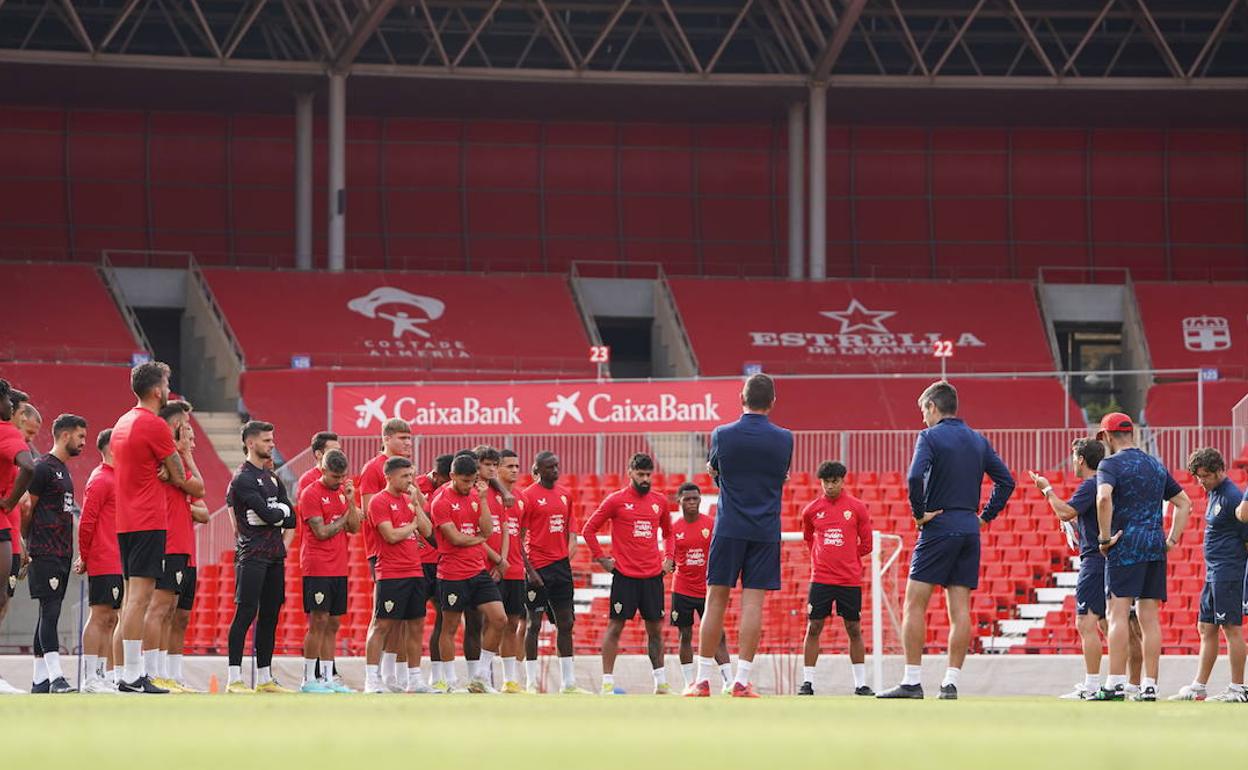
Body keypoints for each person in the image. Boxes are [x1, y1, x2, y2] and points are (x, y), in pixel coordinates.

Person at [879, 380, 1014, 700]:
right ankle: (950, 682)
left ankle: (912, 681)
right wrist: (984, 516)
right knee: (960, 609)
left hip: (938, 527)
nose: (922, 418)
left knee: (914, 602)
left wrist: (919, 512)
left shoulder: (929, 436)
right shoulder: (978, 440)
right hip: (968, 527)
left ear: (932, 406)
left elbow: (914, 476)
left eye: (922, 411)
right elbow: (1006, 481)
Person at [687, 374, 793, 699]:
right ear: (773, 402)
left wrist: (721, 480)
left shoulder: (722, 434)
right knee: (753, 605)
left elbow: (718, 472)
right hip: (765, 529)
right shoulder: (785, 438)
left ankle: (702, 680)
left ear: (741, 398)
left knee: (714, 600)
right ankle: (742, 681)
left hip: (729, 525)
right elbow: (781, 479)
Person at [110, 362, 204, 694]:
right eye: (167, 384)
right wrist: (171, 472)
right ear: (156, 390)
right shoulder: (153, 425)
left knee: (131, 602)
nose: (169, 390)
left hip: (126, 519)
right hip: (148, 519)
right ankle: (133, 675)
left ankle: (123, 672)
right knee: (140, 600)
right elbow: (181, 477)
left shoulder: (122, 421)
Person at [1089, 412, 1191, 702]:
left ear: (1108, 437)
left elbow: (1103, 498)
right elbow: (1184, 504)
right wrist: (1171, 539)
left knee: (1117, 613)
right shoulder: (1156, 465)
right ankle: (1149, 685)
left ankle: (1116, 682)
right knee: (1149, 618)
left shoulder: (1109, 464)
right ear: (1131, 433)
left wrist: (1105, 537)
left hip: (1125, 545)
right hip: (1154, 545)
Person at [583, 453, 673, 695]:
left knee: (655, 630)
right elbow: (588, 529)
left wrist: (669, 559)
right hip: (625, 576)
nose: (645, 479)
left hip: (653, 576)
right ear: (630, 472)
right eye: (640, 474)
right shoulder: (616, 501)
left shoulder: (660, 502)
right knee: (616, 627)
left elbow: (669, 533)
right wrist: (601, 558)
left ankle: (660, 683)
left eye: (648, 475)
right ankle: (607, 683)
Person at [1031, 438, 1112, 699]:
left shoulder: (1091, 484)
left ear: (1080, 459)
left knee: (1086, 621)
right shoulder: (1103, 483)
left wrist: (1046, 490)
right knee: (1108, 623)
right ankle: (1125, 682)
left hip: (1094, 561)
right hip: (1106, 560)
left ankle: (1091, 685)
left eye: (1073, 457)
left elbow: (1065, 512)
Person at [224, 420, 297, 694]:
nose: (272, 444)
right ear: (251, 443)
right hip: (251, 555)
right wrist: (276, 512)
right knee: (245, 613)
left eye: (272, 438)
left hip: (275, 556)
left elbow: (291, 518)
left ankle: (265, 678)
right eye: (267, 440)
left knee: (270, 616)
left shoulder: (273, 479)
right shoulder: (242, 477)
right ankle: (234, 679)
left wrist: (277, 514)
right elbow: (272, 515)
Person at [1170, 448, 1246, 702]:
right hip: (1214, 572)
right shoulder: (1214, 492)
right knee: (1206, 627)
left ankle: (1237, 688)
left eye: (1205, 476)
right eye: (1198, 477)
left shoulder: (1233, 497)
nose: (1201, 481)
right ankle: (1199, 686)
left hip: (1229, 572)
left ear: (1219, 471)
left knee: (1231, 629)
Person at [431, 453, 506, 694]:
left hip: (477, 570)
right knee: (449, 627)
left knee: (499, 619)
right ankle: (450, 681)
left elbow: (488, 528)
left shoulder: (476, 495)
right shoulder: (440, 500)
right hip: (452, 573)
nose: (468, 486)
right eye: (464, 481)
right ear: (452, 476)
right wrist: (479, 539)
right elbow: (454, 538)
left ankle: (480, 677)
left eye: (472, 481)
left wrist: (483, 501)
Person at [23, 413, 87, 693]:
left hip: (61, 551)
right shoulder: (43, 468)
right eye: (80, 436)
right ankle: (57, 677)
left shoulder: (63, 469)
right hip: (44, 550)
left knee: (48, 613)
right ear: (64, 435)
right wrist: (27, 542)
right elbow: (27, 507)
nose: (83, 442)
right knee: (50, 612)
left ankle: (40, 681)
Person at [798, 461, 873, 697]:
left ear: (843, 480)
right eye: (826, 482)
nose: (830, 486)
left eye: (835, 481)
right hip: (820, 578)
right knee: (814, 627)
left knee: (853, 628)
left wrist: (848, 556)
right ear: (820, 482)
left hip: (849, 580)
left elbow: (867, 544)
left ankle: (860, 684)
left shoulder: (857, 508)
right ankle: (807, 682)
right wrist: (822, 558)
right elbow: (808, 538)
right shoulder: (811, 510)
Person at [364, 456, 435, 694]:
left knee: (415, 626)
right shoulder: (379, 501)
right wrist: (412, 526)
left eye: (411, 475)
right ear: (389, 477)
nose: (410, 480)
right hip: (391, 573)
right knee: (382, 625)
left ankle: (414, 678)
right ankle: (372, 679)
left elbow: (428, 530)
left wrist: (416, 506)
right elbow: (391, 536)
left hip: (415, 571)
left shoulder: (409, 500)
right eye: (405, 476)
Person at [519, 451, 587, 694]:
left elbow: (571, 532)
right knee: (533, 624)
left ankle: (569, 683)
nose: (555, 471)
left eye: (557, 466)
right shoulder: (527, 497)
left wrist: (566, 559)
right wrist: (529, 570)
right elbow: (518, 536)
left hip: (560, 568)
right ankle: (530, 682)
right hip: (537, 567)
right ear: (537, 470)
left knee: (566, 623)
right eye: (549, 467)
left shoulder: (565, 495)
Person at [357, 418, 414, 692]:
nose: (408, 443)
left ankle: (390, 675)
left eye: (409, 438)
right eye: (402, 437)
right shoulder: (373, 469)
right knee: (383, 618)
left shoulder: (406, 473)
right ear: (387, 438)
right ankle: (373, 676)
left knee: (402, 619)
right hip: (382, 552)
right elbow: (370, 513)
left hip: (406, 551)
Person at [298, 448, 361, 693]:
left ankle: (327, 678)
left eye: (342, 476)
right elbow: (321, 532)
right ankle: (308, 679)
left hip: (339, 565)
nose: (339, 481)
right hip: (317, 565)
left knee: (333, 622)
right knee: (318, 620)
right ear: (323, 470)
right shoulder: (310, 493)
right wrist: (346, 515)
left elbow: (354, 528)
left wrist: (352, 501)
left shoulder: (344, 493)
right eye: (335, 477)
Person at [150, 400, 202, 692]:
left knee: (171, 612)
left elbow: (201, 493)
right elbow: (196, 488)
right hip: (165, 542)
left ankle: (169, 674)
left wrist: (184, 461)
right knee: (157, 609)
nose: (189, 437)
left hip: (182, 545)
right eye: (184, 427)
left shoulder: (177, 460)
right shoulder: (161, 459)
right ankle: (151, 672)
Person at [665, 483, 730, 692]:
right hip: (682, 589)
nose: (692, 503)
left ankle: (728, 681)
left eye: (695, 499)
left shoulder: (711, 524)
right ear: (679, 502)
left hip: (707, 590)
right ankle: (688, 682)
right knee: (685, 635)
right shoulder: (674, 528)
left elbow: (720, 554)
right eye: (688, 499)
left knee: (718, 635)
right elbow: (669, 559)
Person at [77, 429, 123, 693]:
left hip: (118, 559)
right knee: (100, 615)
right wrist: (85, 556)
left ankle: (100, 674)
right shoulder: (101, 479)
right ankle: (89, 678)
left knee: (111, 619)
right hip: (104, 558)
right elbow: (87, 522)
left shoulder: (117, 478)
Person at [0, 380, 36, 695]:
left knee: (4, 600)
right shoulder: (8, 437)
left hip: (9, 534)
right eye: (20, 411)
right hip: (3, 532)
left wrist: (20, 542)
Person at [492, 449, 528, 693]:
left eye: (517, 466)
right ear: (497, 469)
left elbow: (521, 535)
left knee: (513, 623)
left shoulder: (522, 498)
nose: (514, 470)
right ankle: (482, 675)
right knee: (492, 622)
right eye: (509, 466)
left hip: (516, 570)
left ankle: (509, 680)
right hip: (493, 569)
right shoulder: (487, 495)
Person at [297, 431, 341, 498]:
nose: (339, 455)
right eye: (333, 451)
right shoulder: (308, 480)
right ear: (318, 454)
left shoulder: (341, 478)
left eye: (339, 451)